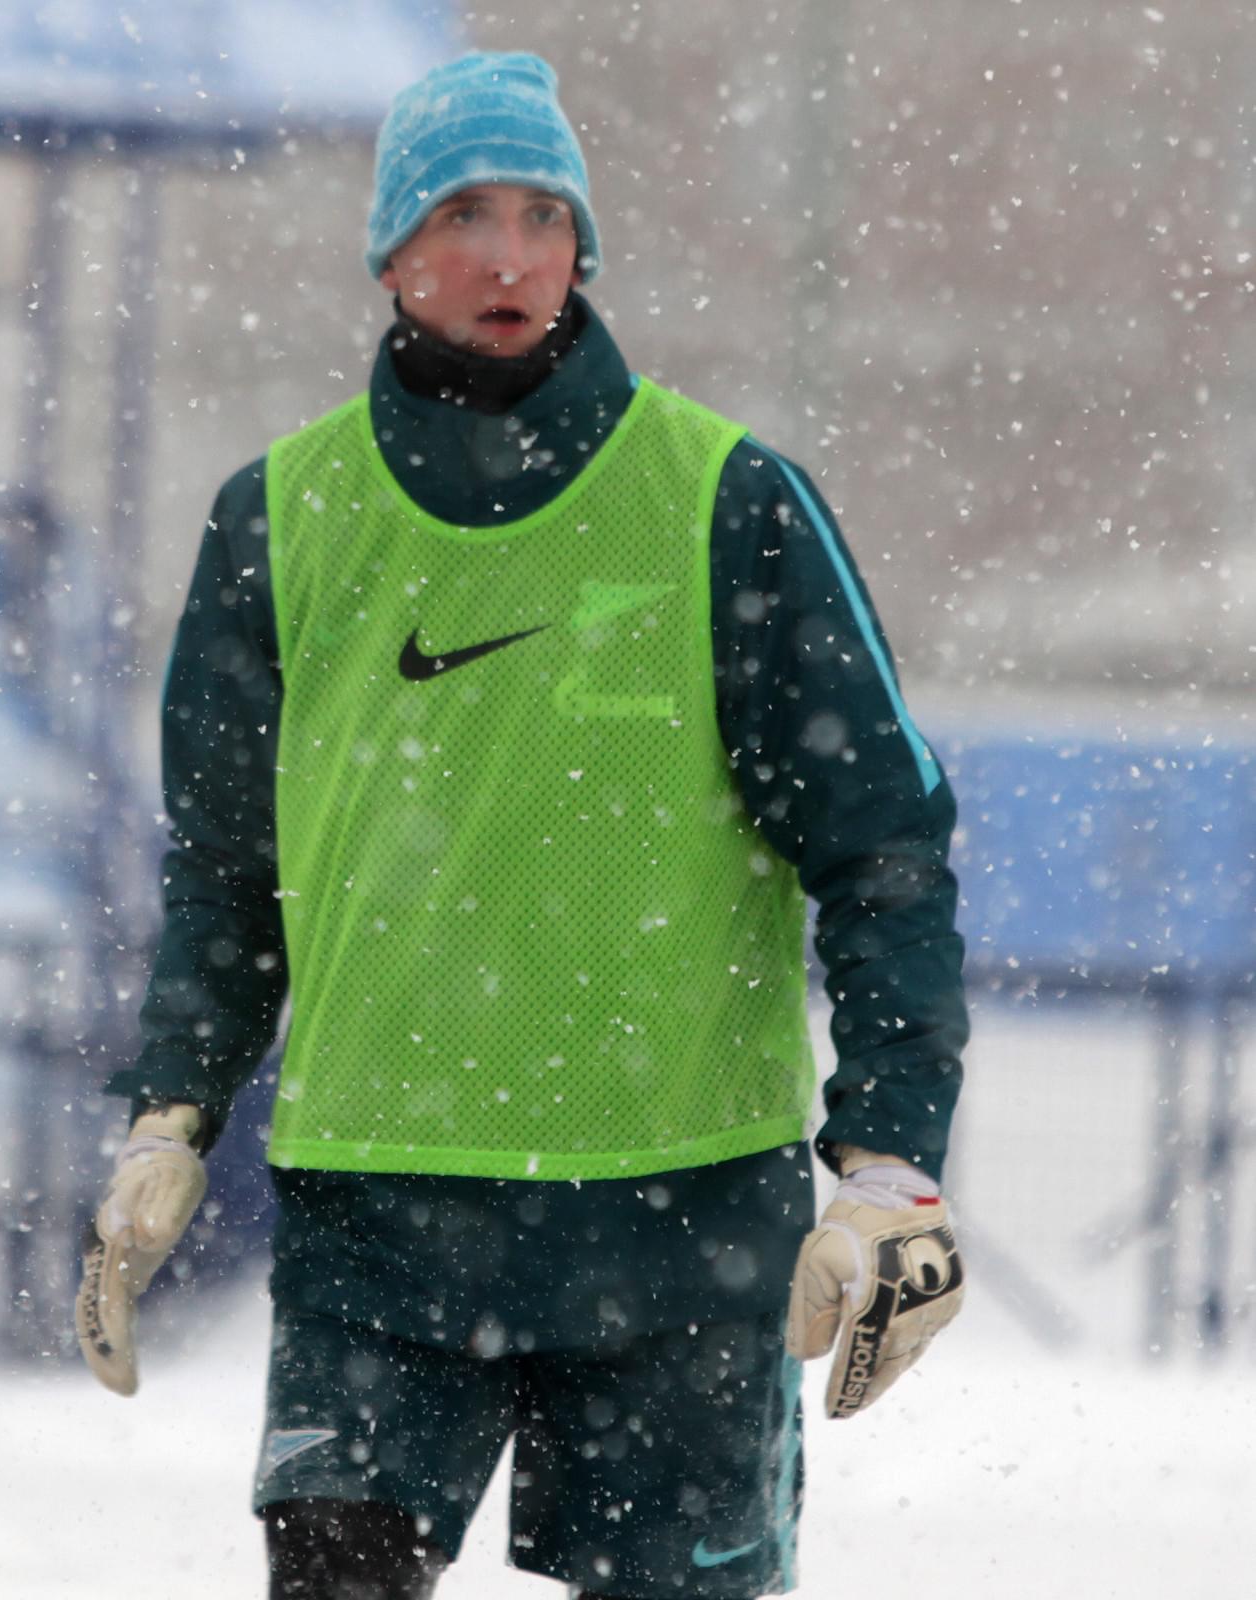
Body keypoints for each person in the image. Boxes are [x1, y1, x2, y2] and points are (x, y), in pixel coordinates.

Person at [76, 49, 968, 1600]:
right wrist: (169, 1114)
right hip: (381, 1212)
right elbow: (225, 874)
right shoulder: (277, 517)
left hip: (680, 1223)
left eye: (545, 216)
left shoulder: (728, 503)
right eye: (465, 214)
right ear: (390, 254)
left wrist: (891, 1170)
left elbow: (885, 854)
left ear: (584, 250)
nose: (509, 256)